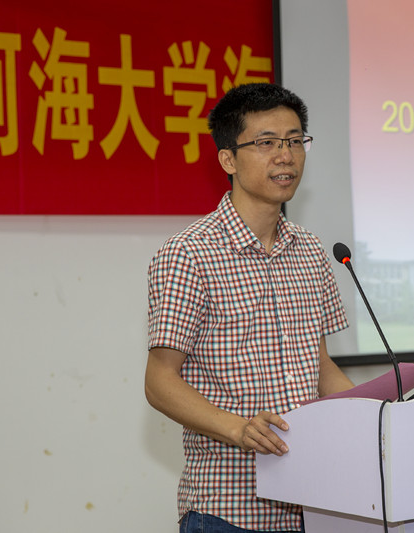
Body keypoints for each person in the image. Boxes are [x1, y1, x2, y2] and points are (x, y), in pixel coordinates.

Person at [145, 83, 355, 533]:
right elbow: (160, 382)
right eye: (267, 143)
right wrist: (238, 428)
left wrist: (374, 413)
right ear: (228, 159)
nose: (285, 156)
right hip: (229, 509)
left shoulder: (311, 250)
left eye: (295, 141)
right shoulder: (188, 254)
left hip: (313, 502)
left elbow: (319, 366)